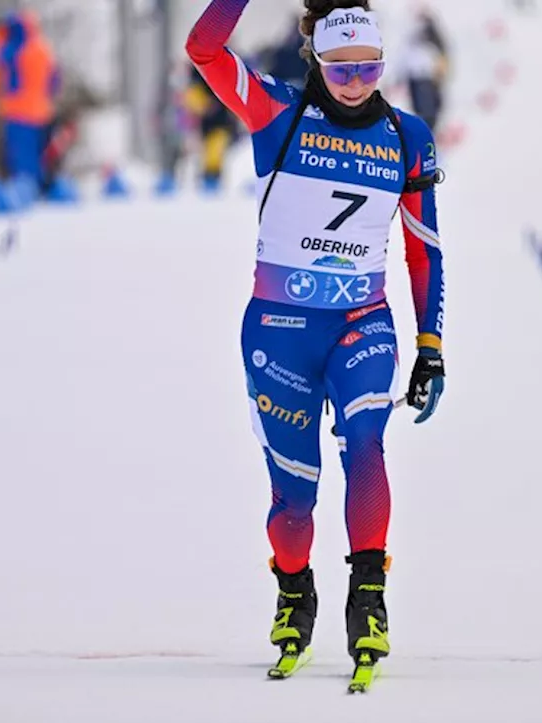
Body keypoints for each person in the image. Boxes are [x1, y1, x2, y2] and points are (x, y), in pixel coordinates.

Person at [186, 0, 446, 686]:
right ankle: (294, 589)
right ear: (318, 62)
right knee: (294, 499)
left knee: (366, 440)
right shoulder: (276, 113)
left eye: (370, 67)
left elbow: (424, 251)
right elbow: (204, 48)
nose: (356, 81)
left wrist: (431, 342)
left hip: (362, 325)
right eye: (341, 68)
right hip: (280, 332)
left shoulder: (406, 133)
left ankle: (369, 594)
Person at [0, 11, 60, 188]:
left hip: (18, 112)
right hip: (42, 111)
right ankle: (38, 187)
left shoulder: (15, 48)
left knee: (21, 156)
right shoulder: (43, 48)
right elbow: (55, 80)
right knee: (36, 155)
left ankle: (26, 190)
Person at [182, 63, 240, 192]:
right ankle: (209, 177)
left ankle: (212, 177)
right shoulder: (197, 71)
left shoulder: (226, 64)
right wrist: (205, 106)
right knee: (209, 151)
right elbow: (192, 96)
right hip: (207, 121)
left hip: (220, 121)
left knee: (215, 149)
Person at [401, 8, 449, 131]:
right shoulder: (413, 35)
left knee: (427, 110)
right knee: (422, 109)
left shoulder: (430, 35)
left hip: (426, 76)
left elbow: (441, 54)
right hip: (417, 76)